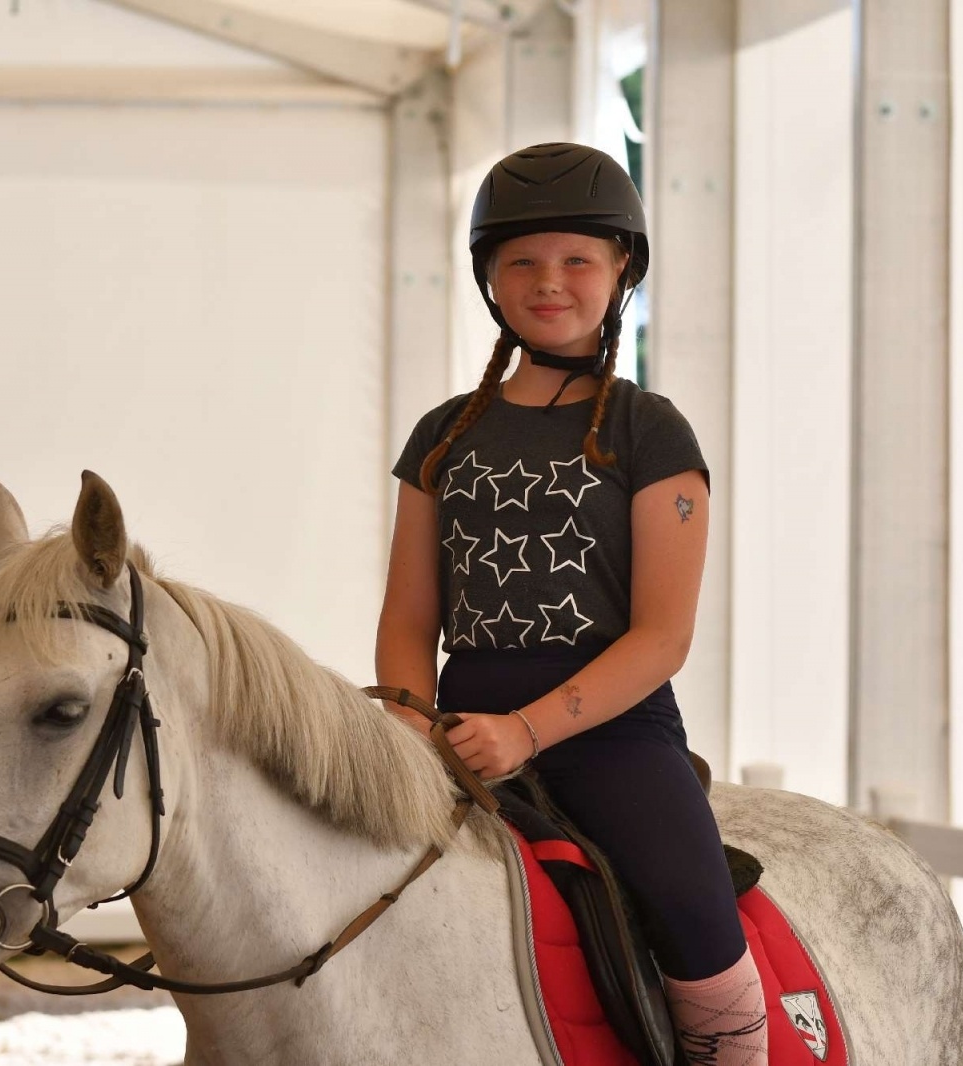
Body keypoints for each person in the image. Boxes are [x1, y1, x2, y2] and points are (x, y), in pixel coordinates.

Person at [375, 142, 766, 1066]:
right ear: (489, 278)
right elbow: (407, 620)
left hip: (611, 729)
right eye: (522, 261)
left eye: (576, 260)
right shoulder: (442, 435)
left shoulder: (649, 428)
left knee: (695, 918)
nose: (549, 282)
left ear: (620, 268)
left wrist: (528, 732)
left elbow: (664, 636)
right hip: (454, 725)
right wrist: (405, 719)